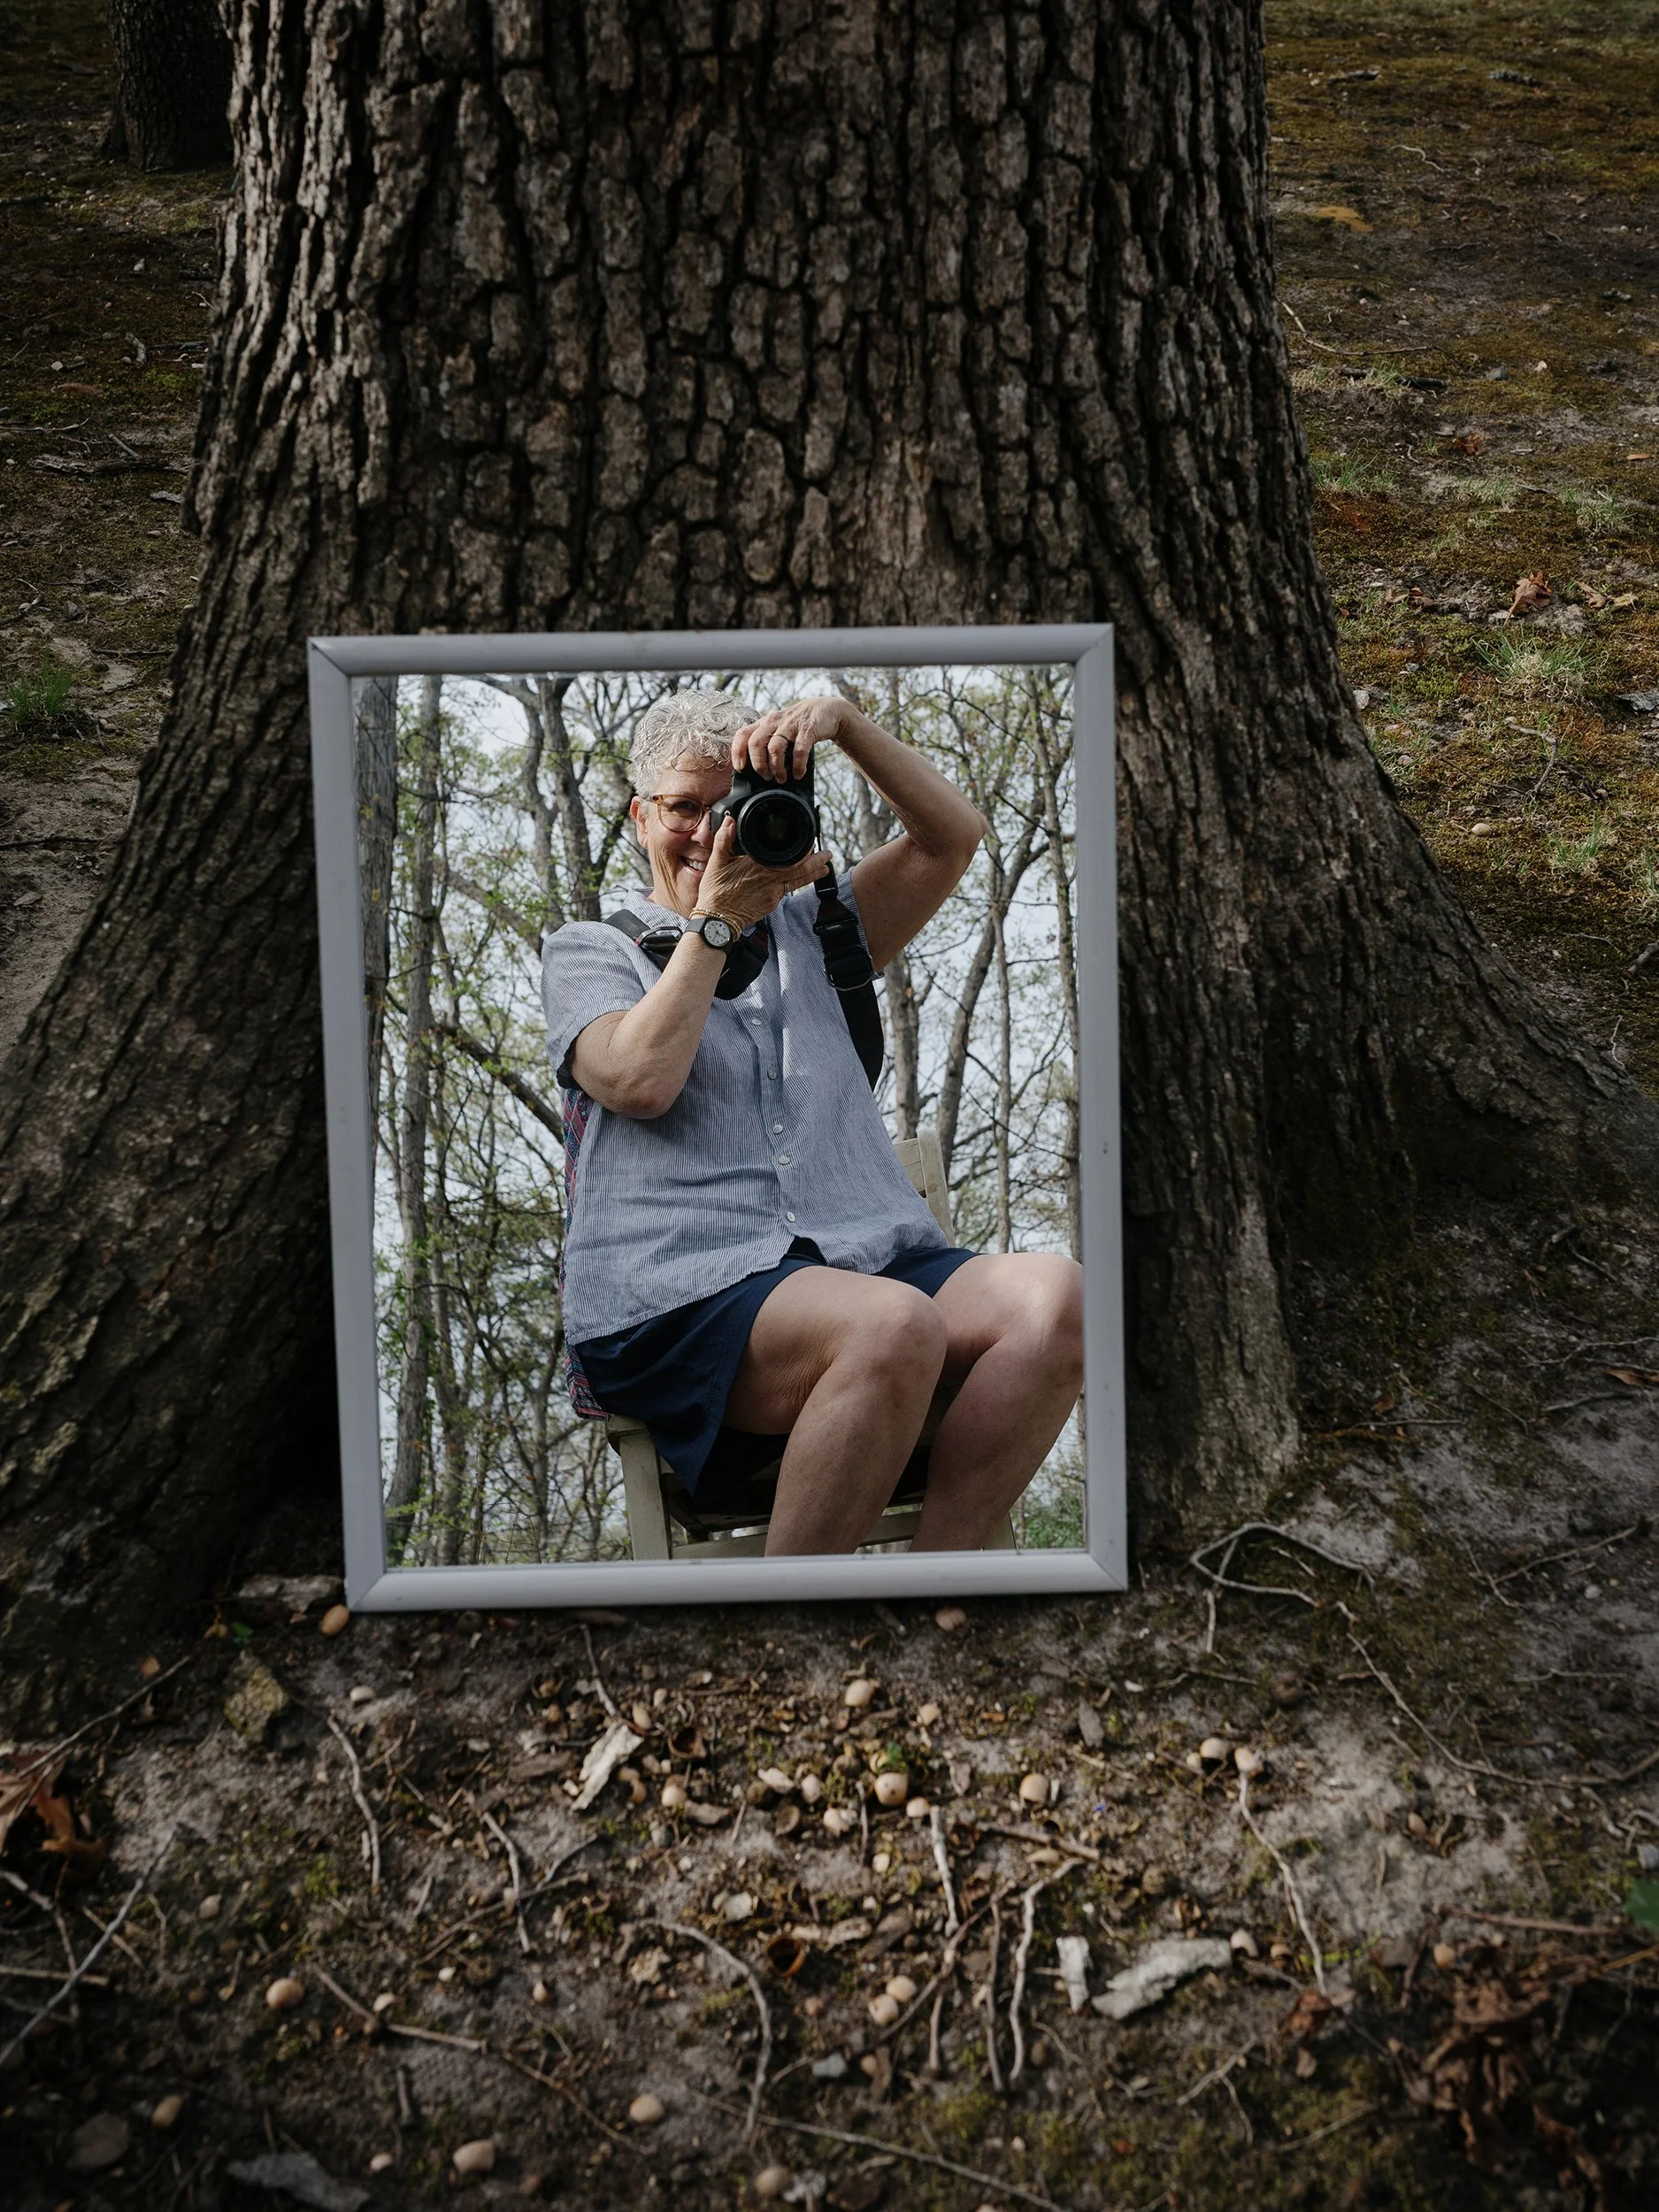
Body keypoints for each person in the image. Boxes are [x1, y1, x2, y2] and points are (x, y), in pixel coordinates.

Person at [541, 687, 1082, 1555]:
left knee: (1058, 1299)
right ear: (641, 818)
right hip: (682, 1290)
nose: (710, 833)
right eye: (683, 808)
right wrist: (719, 924)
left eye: (731, 807)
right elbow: (639, 1080)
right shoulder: (590, 951)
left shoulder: (819, 929)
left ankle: (942, 1584)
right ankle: (792, 1620)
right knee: (891, 1324)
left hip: (867, 1259)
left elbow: (952, 837)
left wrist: (846, 724)